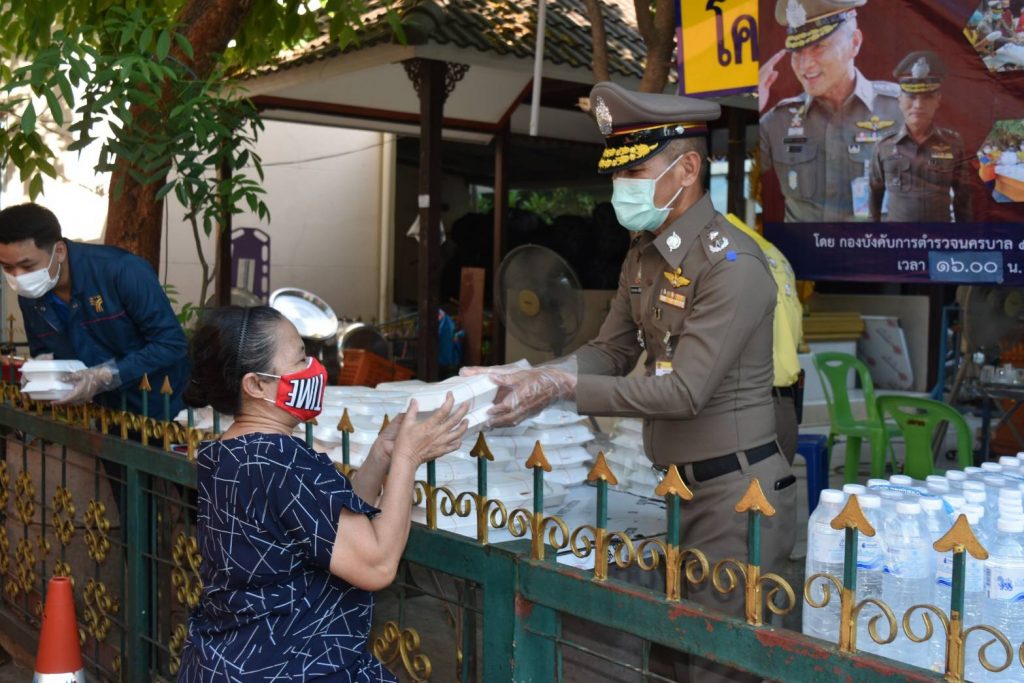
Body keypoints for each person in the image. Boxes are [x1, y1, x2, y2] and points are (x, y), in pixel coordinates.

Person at [466, 81, 797, 683]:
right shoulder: (644, 255)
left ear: (687, 169)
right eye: (619, 172)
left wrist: (561, 388)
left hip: (736, 495)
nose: (622, 186)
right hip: (673, 487)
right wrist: (533, 376)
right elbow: (611, 351)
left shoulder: (733, 264)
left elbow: (685, 393)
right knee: (667, 657)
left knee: (718, 667)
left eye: (635, 170)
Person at [178, 306, 469, 681]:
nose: (314, 368)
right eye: (300, 359)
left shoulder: (230, 452)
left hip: (231, 659)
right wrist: (408, 459)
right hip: (289, 667)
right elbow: (377, 564)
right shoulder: (280, 460)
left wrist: (381, 456)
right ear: (256, 385)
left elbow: (326, 524)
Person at [0, 203, 189, 416]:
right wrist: (38, 374)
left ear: (59, 251)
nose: (18, 277)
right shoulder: (31, 295)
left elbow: (171, 343)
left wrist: (106, 375)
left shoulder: (121, 270)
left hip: (161, 406)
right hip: (99, 413)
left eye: (28, 266)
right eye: (7, 267)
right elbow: (44, 352)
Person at [759, 0, 904, 222]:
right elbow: (738, 173)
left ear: (854, 43)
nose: (805, 64)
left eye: (818, 47)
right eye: (797, 51)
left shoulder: (900, 110)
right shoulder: (780, 121)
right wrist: (754, 103)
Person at [725, 214, 804, 464]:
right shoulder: (776, 258)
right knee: (776, 486)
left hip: (742, 408)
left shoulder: (727, 257)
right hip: (782, 405)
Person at [869, 51, 971, 223]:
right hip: (898, 237)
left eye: (928, 97)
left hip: (940, 236)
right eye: (911, 96)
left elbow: (963, 198)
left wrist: (964, 235)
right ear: (900, 100)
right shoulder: (884, 146)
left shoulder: (953, 144)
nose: (918, 105)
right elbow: (875, 193)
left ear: (938, 100)